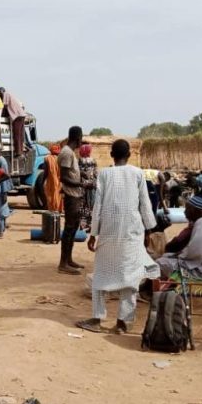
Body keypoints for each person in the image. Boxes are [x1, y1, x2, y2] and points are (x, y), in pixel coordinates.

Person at [77, 139, 159, 334]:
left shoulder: (105, 174)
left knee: (101, 276)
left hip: (109, 232)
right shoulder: (138, 174)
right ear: (129, 155)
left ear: (112, 155)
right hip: (132, 233)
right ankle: (123, 322)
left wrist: (93, 233)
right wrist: (149, 231)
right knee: (130, 277)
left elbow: (98, 206)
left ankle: (97, 318)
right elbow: (145, 205)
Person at [156, 196, 202, 281]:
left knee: (160, 263)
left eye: (187, 209)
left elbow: (197, 253)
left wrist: (180, 255)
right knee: (167, 256)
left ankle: (157, 290)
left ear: (194, 211)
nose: (185, 212)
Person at [57, 126, 88, 275]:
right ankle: (63, 263)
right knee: (69, 229)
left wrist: (81, 174)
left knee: (74, 227)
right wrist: (82, 184)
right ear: (78, 138)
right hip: (71, 195)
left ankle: (68, 259)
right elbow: (63, 177)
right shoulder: (66, 153)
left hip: (75, 194)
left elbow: (70, 172)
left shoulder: (70, 153)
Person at [0, 87, 27, 155]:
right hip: (21, 115)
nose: (0, 95)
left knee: (16, 134)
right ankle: (21, 151)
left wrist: (0, 115)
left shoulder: (6, 94)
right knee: (20, 135)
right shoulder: (11, 95)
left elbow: (4, 106)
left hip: (17, 116)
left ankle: (18, 152)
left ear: (1, 92)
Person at [78, 143, 97, 232]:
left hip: (82, 187)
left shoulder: (79, 161)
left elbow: (78, 174)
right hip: (92, 186)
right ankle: (90, 226)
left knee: (82, 205)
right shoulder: (93, 161)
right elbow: (96, 174)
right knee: (91, 206)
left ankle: (82, 225)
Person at [43, 145, 63, 212]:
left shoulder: (47, 158)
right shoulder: (62, 159)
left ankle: (53, 210)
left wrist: (43, 181)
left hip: (51, 182)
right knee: (59, 195)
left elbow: (46, 172)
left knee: (50, 195)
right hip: (60, 181)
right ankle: (59, 209)